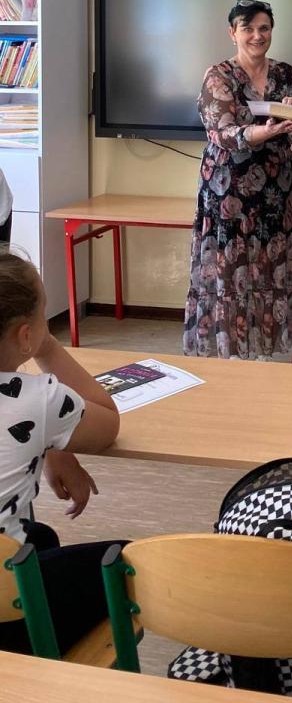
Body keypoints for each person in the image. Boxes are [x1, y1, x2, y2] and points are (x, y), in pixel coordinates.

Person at [0, 252, 124, 655]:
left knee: (42, 537)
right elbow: (107, 422)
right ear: (25, 336)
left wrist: (54, 445)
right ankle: (40, 661)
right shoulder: (39, 400)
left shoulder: (36, 407)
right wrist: (48, 347)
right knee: (129, 561)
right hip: (6, 617)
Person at [183, 0, 292, 361]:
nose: (257, 35)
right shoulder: (218, 76)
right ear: (232, 33)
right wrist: (262, 132)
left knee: (271, 267)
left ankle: (266, 348)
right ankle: (232, 352)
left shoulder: (286, 74)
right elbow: (222, 133)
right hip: (229, 194)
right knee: (230, 270)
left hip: (277, 191)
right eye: (248, 28)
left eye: (264, 28)